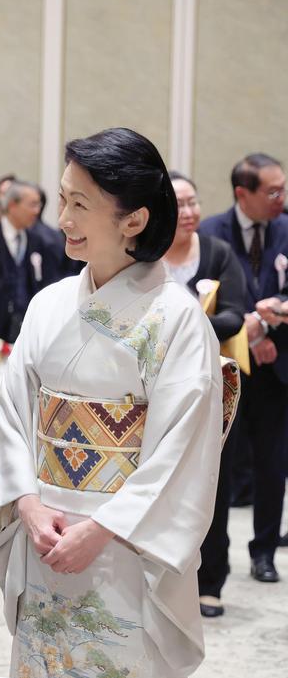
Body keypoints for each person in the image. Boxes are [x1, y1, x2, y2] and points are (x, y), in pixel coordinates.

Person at [0, 128, 222, 678]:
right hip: (45, 532)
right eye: (62, 199)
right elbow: (14, 414)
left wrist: (101, 530)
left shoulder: (177, 319)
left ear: (133, 220)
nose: (62, 219)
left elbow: (181, 450)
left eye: (79, 204)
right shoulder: (48, 305)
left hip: (124, 544)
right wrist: (27, 502)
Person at [199, 152, 288, 583]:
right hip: (224, 367)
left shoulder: (286, 228)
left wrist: (269, 325)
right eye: (272, 191)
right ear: (242, 193)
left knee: (273, 464)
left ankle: (264, 552)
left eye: (282, 189)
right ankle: (213, 557)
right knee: (219, 467)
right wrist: (250, 334)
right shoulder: (210, 233)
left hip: (276, 366)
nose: (281, 198)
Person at [162, 170, 247, 617]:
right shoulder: (145, 255)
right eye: (179, 204)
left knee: (213, 480)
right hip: (155, 389)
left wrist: (184, 327)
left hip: (211, 385)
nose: (190, 212)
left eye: (193, 202)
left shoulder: (217, 252)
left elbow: (235, 315)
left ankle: (211, 582)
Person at [0, 180, 61, 340]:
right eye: (32, 205)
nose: (37, 211)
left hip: (24, 329)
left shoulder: (37, 241)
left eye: (38, 205)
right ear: (12, 205)